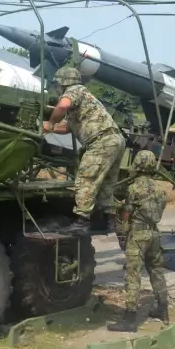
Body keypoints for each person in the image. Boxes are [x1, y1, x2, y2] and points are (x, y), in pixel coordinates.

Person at [42, 65, 125, 235]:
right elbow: (68, 128)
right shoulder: (83, 99)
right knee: (107, 183)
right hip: (114, 140)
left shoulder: (75, 90)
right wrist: (49, 128)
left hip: (101, 141)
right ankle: (109, 221)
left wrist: (50, 122)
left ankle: (82, 222)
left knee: (86, 179)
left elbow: (62, 106)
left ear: (63, 83)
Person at [109, 150, 170, 332]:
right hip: (154, 234)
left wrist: (121, 221)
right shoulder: (160, 190)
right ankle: (163, 310)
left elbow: (126, 213)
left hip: (138, 236)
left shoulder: (133, 188)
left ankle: (129, 319)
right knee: (157, 273)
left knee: (133, 275)